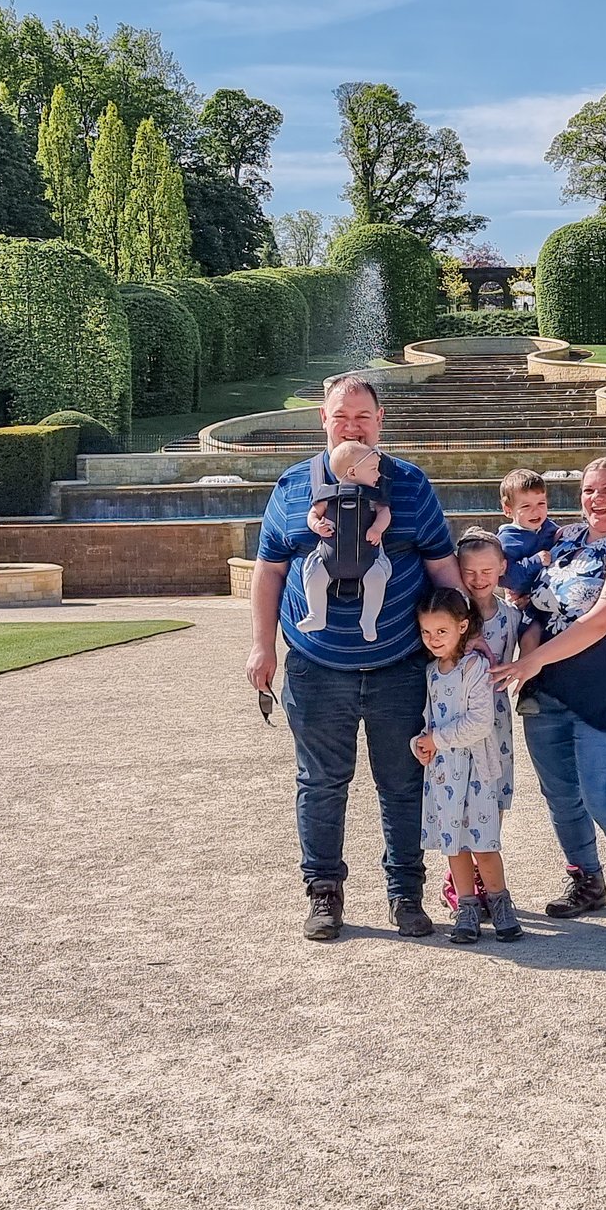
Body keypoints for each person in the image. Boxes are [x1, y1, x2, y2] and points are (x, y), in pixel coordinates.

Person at [247, 373, 462, 942]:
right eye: (341, 417)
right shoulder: (293, 487)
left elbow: (442, 566)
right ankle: (323, 893)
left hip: (399, 665)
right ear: (323, 419)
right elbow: (269, 572)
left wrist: (466, 638)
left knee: (401, 784)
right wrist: (262, 646)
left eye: (363, 417)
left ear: (380, 421)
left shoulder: (409, 484)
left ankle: (405, 894)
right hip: (316, 667)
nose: (352, 426)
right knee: (320, 782)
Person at [491, 456, 606, 938]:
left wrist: (533, 658)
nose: (596, 499)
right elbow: (521, 588)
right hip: (546, 689)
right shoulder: (565, 540)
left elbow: (599, 620)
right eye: (589, 490)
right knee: (561, 796)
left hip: (603, 691)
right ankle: (586, 881)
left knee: (603, 794)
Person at [409, 585, 521, 944]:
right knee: (453, 845)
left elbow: (479, 722)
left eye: (441, 631)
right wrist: (420, 745)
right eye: (426, 632)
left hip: (476, 772)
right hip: (443, 774)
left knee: (484, 844)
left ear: (463, 626)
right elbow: (428, 721)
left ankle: (500, 902)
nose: (433, 639)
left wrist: (436, 740)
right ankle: (467, 908)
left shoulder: (475, 667)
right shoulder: (430, 672)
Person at [441, 530, 522, 914]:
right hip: (456, 718)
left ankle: (481, 869)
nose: (478, 579)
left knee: (494, 792)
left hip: (496, 719)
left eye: (487, 570)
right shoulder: (449, 614)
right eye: (469, 571)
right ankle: (457, 877)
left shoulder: (511, 616)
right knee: (454, 793)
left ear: (502, 568)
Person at [297, 438, 394, 641]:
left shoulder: (373, 496)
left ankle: (368, 618)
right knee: (314, 574)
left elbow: (384, 514)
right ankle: (316, 614)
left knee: (377, 579)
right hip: (329, 558)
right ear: (352, 472)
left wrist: (377, 528)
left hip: (368, 558)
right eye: (373, 469)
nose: (378, 474)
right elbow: (313, 515)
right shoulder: (327, 494)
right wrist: (317, 526)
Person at [494, 468, 560, 608]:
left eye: (541, 504)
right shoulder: (507, 541)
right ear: (508, 510)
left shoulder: (548, 527)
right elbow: (507, 578)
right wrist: (535, 561)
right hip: (526, 605)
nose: (535, 511)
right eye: (526, 506)